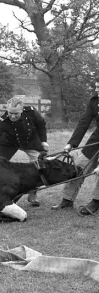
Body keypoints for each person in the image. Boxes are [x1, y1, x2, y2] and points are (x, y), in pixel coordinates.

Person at [0, 97, 49, 206]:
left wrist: (43, 141)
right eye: (10, 113)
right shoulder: (2, 121)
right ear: (7, 110)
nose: (13, 116)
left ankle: (33, 195)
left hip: (29, 141)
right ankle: (3, 195)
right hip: (7, 144)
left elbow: (41, 125)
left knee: (38, 166)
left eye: (16, 113)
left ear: (22, 110)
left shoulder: (31, 112)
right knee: (1, 168)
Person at [51, 80, 99, 214]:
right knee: (79, 166)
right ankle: (67, 200)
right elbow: (84, 122)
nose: (97, 90)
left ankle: (96, 202)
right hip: (96, 139)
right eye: (96, 87)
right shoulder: (94, 101)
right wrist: (71, 143)